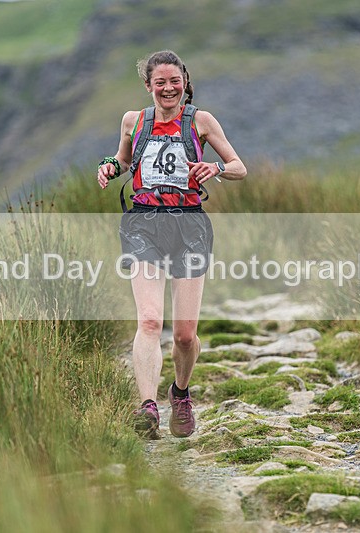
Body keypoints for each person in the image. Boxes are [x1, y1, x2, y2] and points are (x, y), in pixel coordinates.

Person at [97, 50, 246, 438]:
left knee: (183, 334)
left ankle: (180, 393)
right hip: (144, 223)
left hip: (189, 227)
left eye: (174, 81)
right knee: (149, 319)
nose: (168, 88)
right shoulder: (134, 121)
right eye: (159, 82)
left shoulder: (201, 121)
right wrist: (110, 167)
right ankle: (147, 407)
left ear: (184, 81)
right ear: (148, 86)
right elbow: (125, 159)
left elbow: (239, 167)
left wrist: (216, 167)